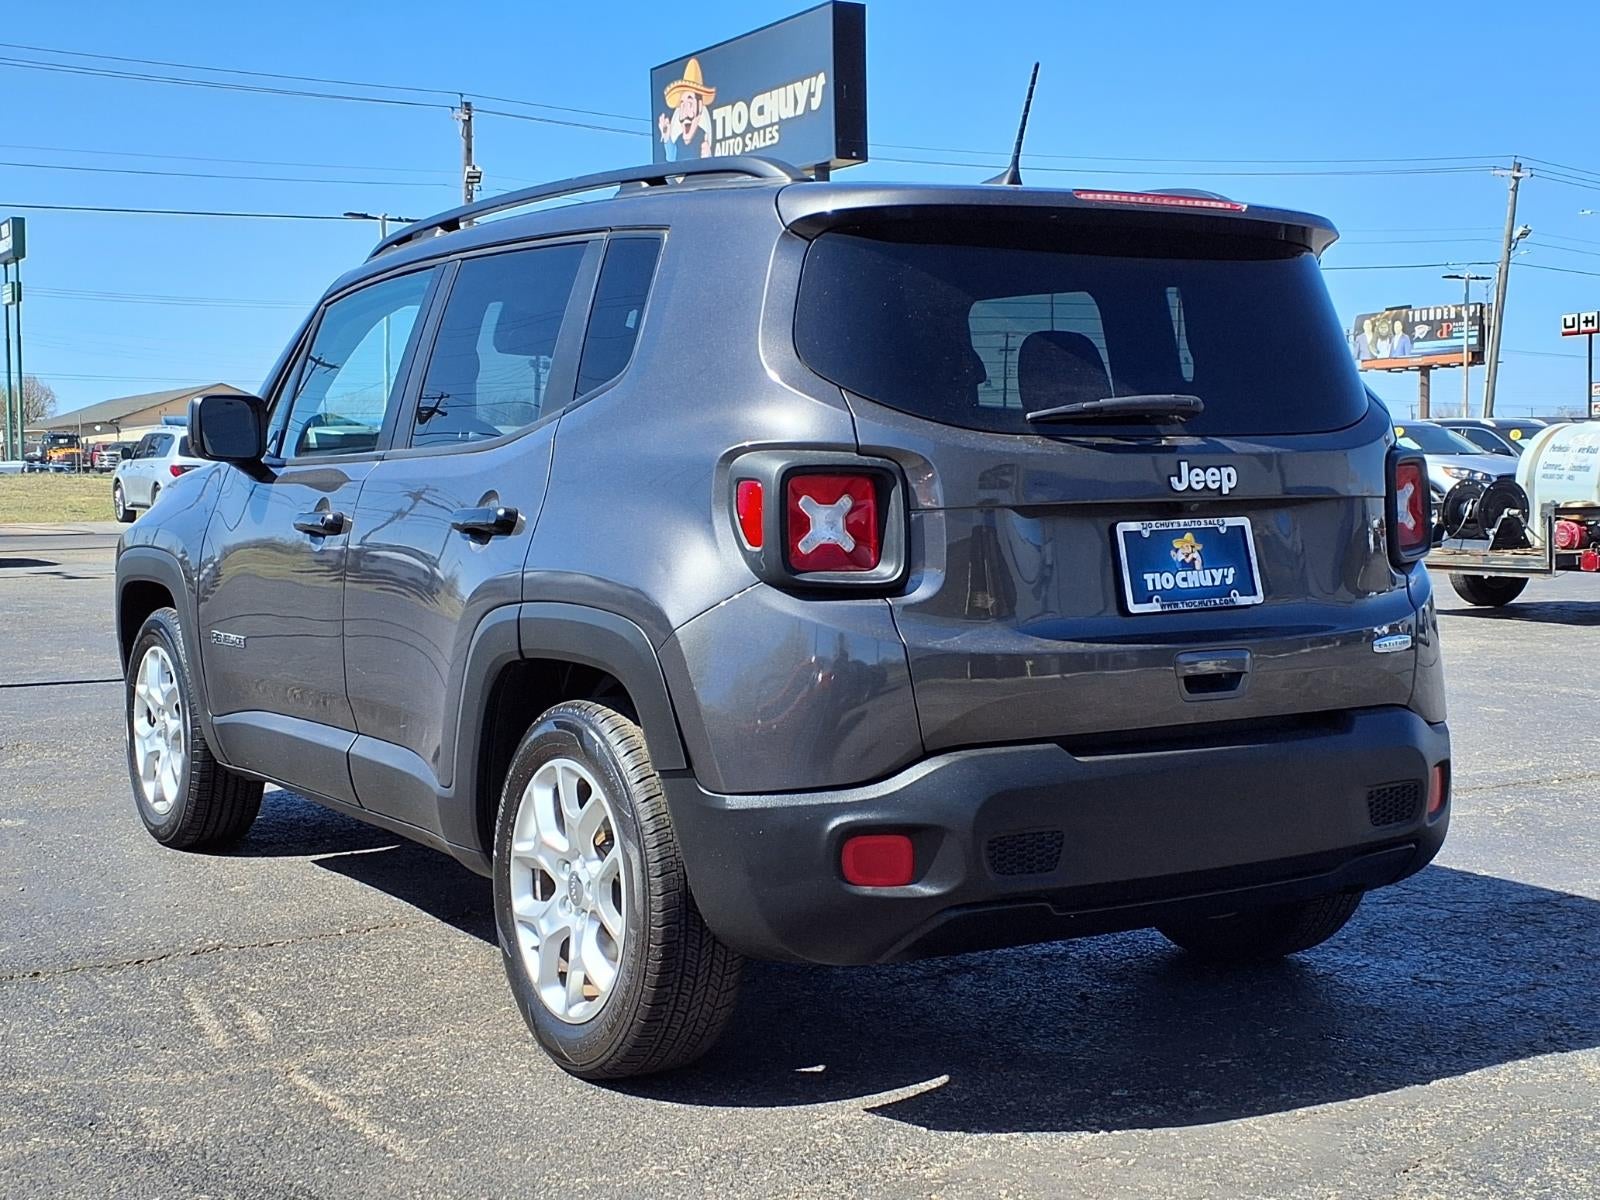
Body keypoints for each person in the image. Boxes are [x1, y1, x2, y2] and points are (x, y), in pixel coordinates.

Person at [658, 58, 715, 161]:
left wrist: (708, 161)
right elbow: (672, 165)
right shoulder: (679, 141)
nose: (685, 113)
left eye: (689, 103)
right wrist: (667, 138)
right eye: (682, 104)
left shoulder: (703, 139)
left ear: (700, 105)